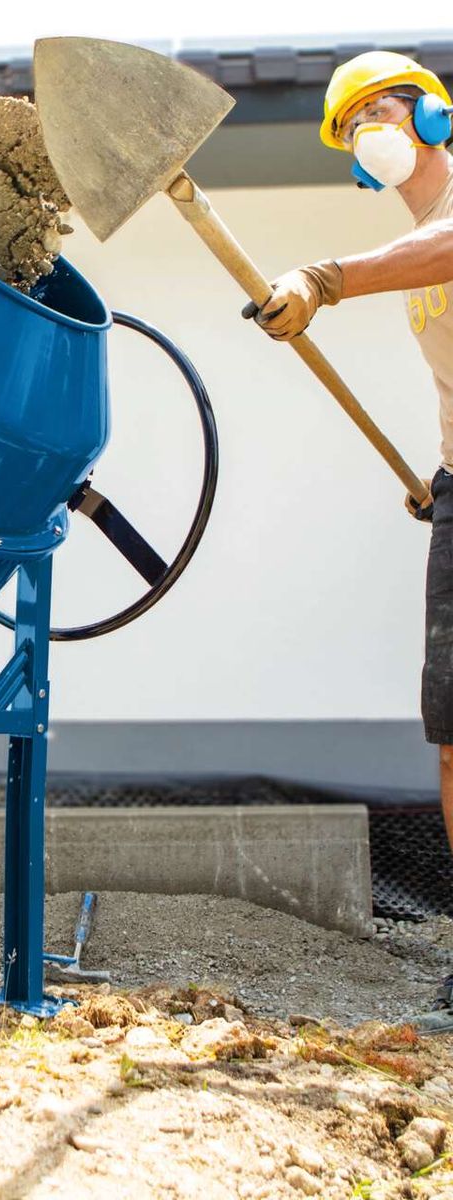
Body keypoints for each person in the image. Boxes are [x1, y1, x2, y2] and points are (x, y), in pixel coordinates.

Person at [247, 50, 453, 1024]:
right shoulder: (419, 247)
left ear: (436, 113)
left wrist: (325, 279)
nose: (374, 126)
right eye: (354, 124)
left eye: (385, 108)